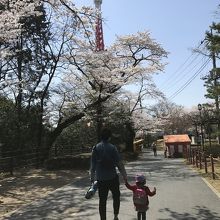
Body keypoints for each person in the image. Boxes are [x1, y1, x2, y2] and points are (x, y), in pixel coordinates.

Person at [90, 128, 127, 220]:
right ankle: (115, 216)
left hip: (101, 179)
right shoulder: (112, 148)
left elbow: (93, 165)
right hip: (112, 177)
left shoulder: (95, 148)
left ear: (101, 137)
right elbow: (119, 163)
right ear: (109, 137)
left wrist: (92, 178)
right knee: (116, 197)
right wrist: (124, 175)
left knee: (102, 201)